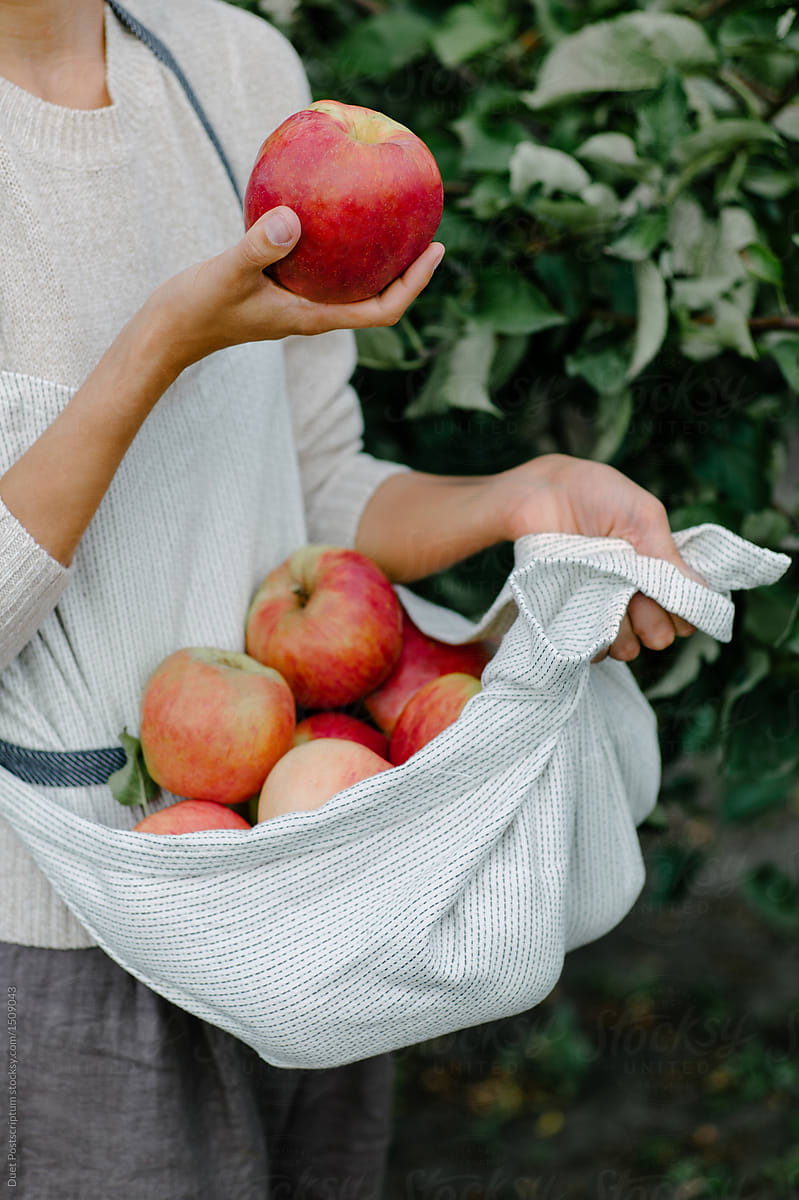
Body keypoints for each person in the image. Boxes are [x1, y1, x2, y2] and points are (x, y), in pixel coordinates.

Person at [0, 0, 703, 1196]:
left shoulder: (231, 69)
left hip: (302, 881)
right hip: (48, 944)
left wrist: (521, 493)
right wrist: (160, 342)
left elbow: (310, 481)